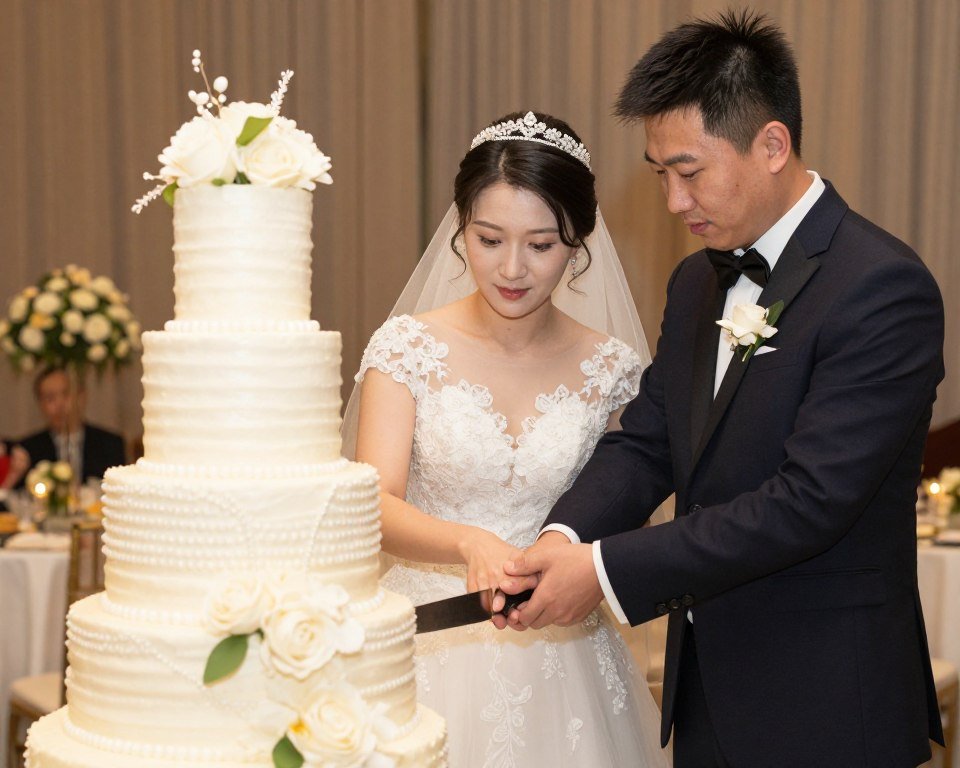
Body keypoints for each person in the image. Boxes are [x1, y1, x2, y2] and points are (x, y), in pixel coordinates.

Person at [498, 10, 945, 768]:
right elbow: (648, 442)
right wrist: (563, 538)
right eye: (660, 174)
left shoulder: (881, 286)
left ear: (772, 144)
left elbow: (810, 502)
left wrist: (606, 572)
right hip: (707, 699)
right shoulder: (695, 282)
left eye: (690, 171)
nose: (674, 202)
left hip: (832, 708)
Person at [348, 111, 670, 767]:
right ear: (461, 227)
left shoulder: (612, 369)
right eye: (490, 238)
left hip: (566, 645)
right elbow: (372, 503)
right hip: (430, 637)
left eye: (542, 244)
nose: (512, 268)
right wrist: (468, 541)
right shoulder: (407, 348)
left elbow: (631, 501)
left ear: (579, 241)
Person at [16, 366, 126, 487]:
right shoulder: (28, 450)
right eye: (50, 398)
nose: (60, 404)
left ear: (82, 396)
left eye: (66, 393)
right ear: (40, 405)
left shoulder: (110, 444)